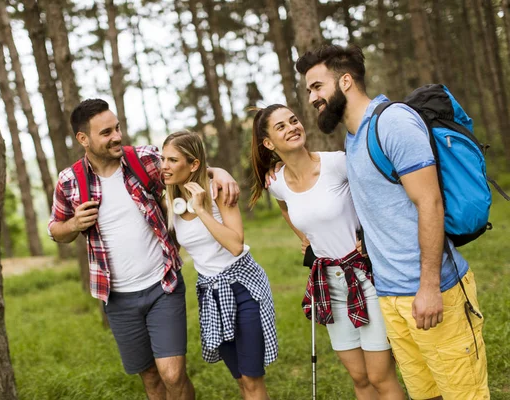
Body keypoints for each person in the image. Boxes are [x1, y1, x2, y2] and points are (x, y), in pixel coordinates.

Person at [294, 45, 489, 399]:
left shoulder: (392, 122)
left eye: (317, 87)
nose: (312, 98)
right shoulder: (353, 138)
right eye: (309, 90)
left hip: (433, 292)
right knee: (424, 394)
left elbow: (429, 202)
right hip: (391, 297)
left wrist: (428, 287)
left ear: (347, 81)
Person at [47, 99, 240, 400]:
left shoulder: (145, 159)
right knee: (150, 378)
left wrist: (219, 172)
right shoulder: (70, 181)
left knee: (173, 374)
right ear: (83, 139)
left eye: (118, 128)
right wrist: (73, 225)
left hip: (162, 284)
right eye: (106, 132)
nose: (117, 136)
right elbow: (55, 230)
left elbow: (188, 166)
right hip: (118, 298)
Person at [251, 105, 404, 399]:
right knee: (359, 378)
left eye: (293, 121)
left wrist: (371, 237)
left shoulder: (338, 164)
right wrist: (305, 239)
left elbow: (380, 192)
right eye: (280, 127)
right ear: (268, 143)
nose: (291, 127)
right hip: (329, 285)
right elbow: (286, 208)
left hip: (365, 277)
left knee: (380, 376)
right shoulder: (278, 184)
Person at [161, 131, 277, 400]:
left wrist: (202, 210)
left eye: (172, 159)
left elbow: (235, 244)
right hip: (211, 294)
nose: (164, 166)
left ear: (193, 165)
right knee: (240, 378)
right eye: (162, 158)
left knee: (252, 379)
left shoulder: (219, 191)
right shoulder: (170, 201)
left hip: (243, 287)